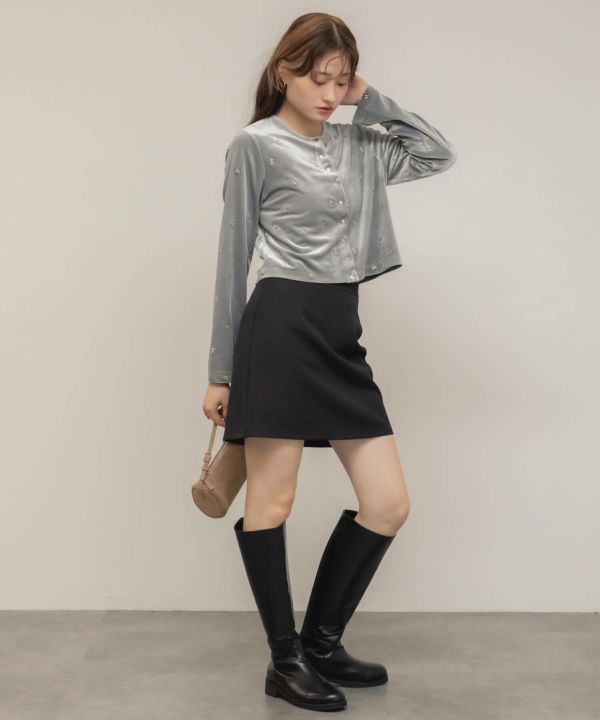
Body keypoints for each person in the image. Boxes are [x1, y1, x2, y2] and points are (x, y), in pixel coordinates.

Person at [202, 12, 457, 712]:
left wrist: (367, 97)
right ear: (283, 71)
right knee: (272, 501)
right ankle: (284, 662)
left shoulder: (359, 144)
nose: (329, 93)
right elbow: (232, 261)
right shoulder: (255, 145)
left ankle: (320, 642)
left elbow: (436, 153)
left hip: (340, 334)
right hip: (280, 330)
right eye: (318, 77)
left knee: (388, 502)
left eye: (341, 81)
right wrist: (221, 371)